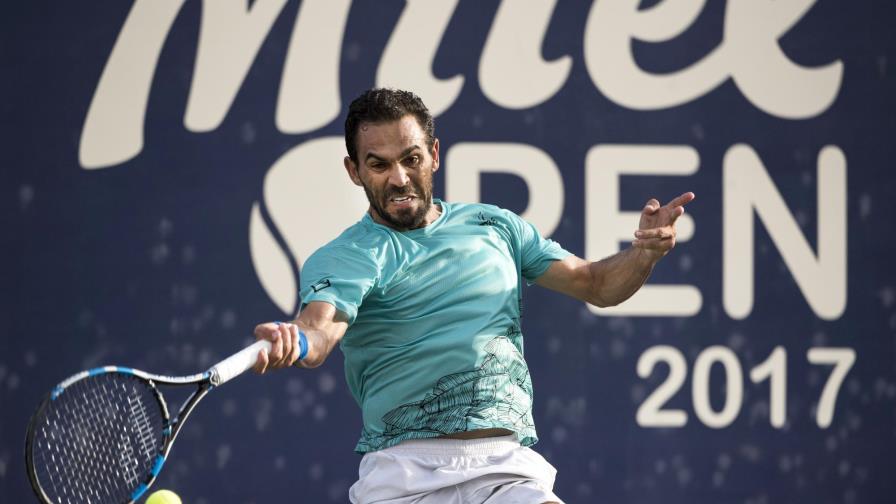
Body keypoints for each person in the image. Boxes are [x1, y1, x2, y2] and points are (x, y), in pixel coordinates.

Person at [252, 88, 694, 503]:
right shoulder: (346, 256)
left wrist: (643, 255)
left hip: (506, 471)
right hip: (402, 477)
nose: (399, 178)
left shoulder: (495, 227)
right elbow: (320, 328)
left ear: (434, 155)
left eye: (411, 158)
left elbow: (595, 283)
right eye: (379, 165)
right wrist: (298, 339)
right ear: (354, 171)